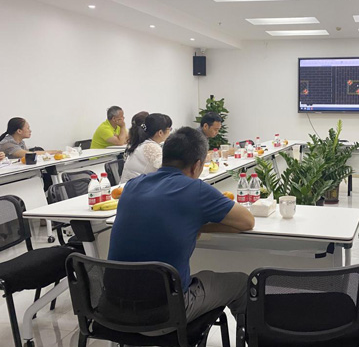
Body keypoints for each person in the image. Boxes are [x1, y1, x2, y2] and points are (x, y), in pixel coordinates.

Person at [108, 127, 255, 334]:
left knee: (202, 276)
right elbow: (247, 221)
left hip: (112, 311)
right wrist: (200, 224)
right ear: (197, 165)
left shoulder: (132, 186)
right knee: (240, 282)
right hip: (163, 316)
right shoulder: (196, 190)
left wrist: (195, 223)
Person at [120, 113, 173, 183]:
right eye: (170, 129)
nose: (170, 132)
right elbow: (169, 169)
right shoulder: (151, 147)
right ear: (160, 133)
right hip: (136, 187)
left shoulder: (143, 143)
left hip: (131, 186)